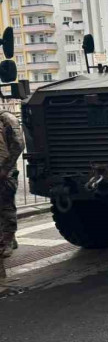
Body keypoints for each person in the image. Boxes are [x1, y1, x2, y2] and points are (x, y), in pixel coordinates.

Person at [0, 110, 24, 278]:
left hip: (5, 171)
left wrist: (5, 169)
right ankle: (8, 237)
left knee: (5, 206)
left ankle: (7, 241)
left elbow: (18, 145)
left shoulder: (7, 118)